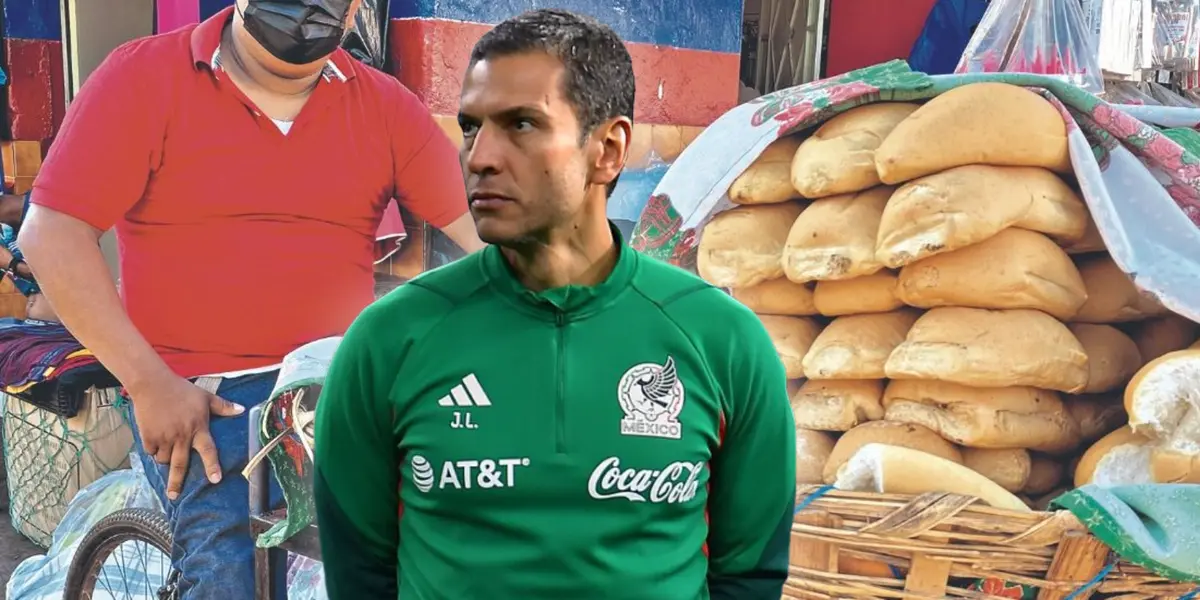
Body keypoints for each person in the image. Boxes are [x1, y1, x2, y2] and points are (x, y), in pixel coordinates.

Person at [314, 8, 796, 600]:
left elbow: (749, 576)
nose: (479, 156)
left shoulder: (724, 344)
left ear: (608, 149)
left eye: (521, 125)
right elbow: (358, 575)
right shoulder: (389, 341)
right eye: (471, 127)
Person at [17, 0, 484, 597]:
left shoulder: (384, 104)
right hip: (205, 396)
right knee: (234, 576)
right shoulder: (144, 76)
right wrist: (148, 383)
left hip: (338, 386)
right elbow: (52, 234)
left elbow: (488, 230)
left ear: (355, 10)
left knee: (455, 535)